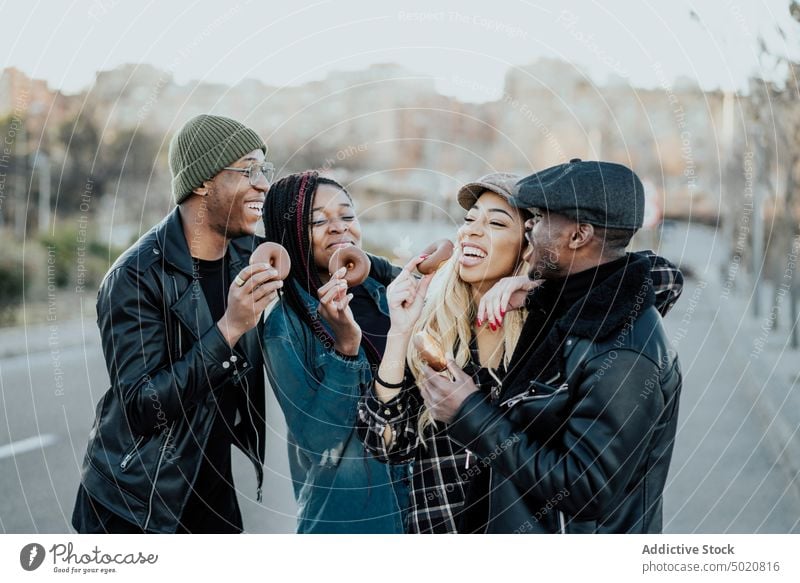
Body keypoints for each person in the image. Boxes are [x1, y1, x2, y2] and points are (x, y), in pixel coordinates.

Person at [358, 170, 684, 533]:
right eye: (469, 220)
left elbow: (662, 276)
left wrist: (536, 287)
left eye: (496, 222)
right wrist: (400, 332)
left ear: (529, 241)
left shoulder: (557, 328)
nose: (470, 231)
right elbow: (384, 445)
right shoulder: (434, 327)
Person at [72, 114, 282, 533]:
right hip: (137, 502)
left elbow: (326, 254)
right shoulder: (135, 276)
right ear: (202, 181)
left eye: (265, 170)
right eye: (248, 169)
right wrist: (230, 329)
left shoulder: (249, 254)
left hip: (212, 492)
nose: (263, 183)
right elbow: (143, 406)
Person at [261, 170, 410, 533]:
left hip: (420, 510)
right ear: (290, 235)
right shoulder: (285, 327)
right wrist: (346, 349)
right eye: (317, 220)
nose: (338, 227)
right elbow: (320, 443)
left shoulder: (385, 293)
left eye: (346, 215)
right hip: (350, 521)